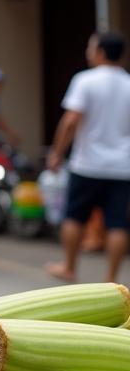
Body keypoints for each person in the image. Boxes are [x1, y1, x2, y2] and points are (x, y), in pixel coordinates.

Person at [45, 31, 130, 283]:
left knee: (75, 216)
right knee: (117, 223)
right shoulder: (128, 83)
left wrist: (57, 152)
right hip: (122, 166)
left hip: (87, 164)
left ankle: (69, 266)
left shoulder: (85, 80)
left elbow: (71, 121)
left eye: (91, 47)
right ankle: (111, 279)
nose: (88, 52)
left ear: (101, 52)